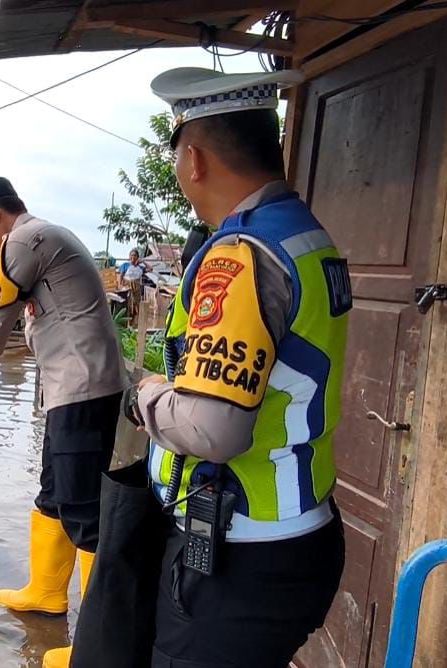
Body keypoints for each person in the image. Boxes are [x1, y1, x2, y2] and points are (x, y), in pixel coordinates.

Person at [119, 68, 352, 667]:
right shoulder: (308, 235)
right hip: (304, 528)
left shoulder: (241, 255)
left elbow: (214, 430)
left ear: (193, 158)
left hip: (238, 548)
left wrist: (148, 394)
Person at [0, 177, 125, 668]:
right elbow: (1, 300)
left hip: (82, 388)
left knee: (84, 512)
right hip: (73, 388)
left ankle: (98, 645)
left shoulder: (24, 239)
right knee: (55, 492)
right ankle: (46, 592)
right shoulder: (37, 241)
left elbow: (0, 316)